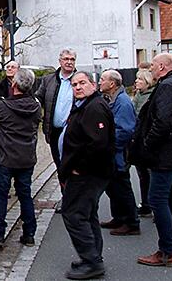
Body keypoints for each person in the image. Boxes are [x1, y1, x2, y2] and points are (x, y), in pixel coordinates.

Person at [136, 53, 172, 267]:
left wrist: (147, 144)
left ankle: (166, 251)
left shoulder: (167, 87)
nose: (150, 69)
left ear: (161, 66)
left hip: (166, 156)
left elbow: (162, 121)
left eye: (152, 65)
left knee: (158, 200)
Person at [58, 71, 114, 280]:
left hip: (88, 174)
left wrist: (79, 168)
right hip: (88, 173)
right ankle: (93, 256)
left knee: (73, 214)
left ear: (93, 84)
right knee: (87, 214)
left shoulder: (94, 107)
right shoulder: (85, 105)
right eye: (74, 85)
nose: (78, 87)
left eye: (82, 83)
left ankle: (91, 261)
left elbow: (98, 144)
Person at [0, 68, 41, 246]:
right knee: (25, 195)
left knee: (1, 195)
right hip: (26, 157)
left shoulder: (4, 105)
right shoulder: (36, 105)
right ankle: (29, 234)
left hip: (5, 157)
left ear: (14, 84)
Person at [98, 70, 140, 235]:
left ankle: (131, 222)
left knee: (122, 187)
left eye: (102, 79)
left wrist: (110, 146)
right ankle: (119, 217)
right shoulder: (112, 99)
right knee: (113, 187)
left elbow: (125, 130)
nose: (99, 82)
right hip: (113, 153)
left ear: (112, 84)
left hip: (118, 154)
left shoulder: (122, 102)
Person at [35, 49, 77, 171]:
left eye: (72, 59)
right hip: (54, 131)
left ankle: (70, 189)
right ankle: (64, 188)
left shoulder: (80, 80)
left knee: (72, 165)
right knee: (59, 165)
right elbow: (38, 98)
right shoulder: (48, 80)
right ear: (60, 61)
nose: (69, 62)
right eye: (66, 59)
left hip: (73, 131)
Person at [132, 69, 155, 217]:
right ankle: (146, 204)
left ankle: (154, 206)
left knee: (151, 175)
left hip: (147, 140)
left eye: (139, 79)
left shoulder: (151, 96)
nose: (136, 82)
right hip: (138, 140)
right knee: (142, 175)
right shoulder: (138, 95)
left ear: (147, 81)